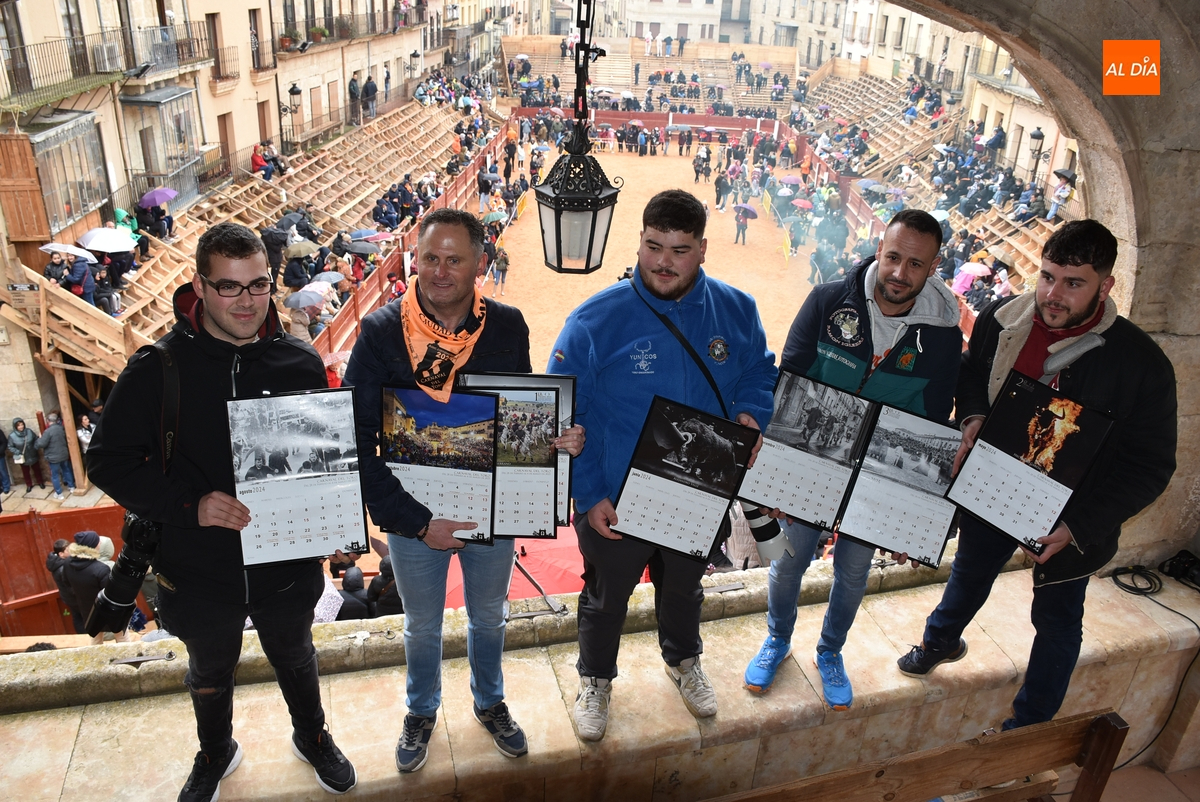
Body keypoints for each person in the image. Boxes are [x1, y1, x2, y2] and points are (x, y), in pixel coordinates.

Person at [87, 222, 357, 800]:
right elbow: (107, 463)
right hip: (198, 566)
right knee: (209, 673)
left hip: (285, 562)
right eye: (229, 287)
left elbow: (316, 463)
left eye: (257, 285)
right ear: (200, 287)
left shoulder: (299, 363)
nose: (246, 301)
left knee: (296, 655)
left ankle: (312, 736)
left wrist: (330, 520)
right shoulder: (156, 368)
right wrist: (192, 505)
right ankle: (215, 753)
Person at [896, 219, 1177, 731]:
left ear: (1105, 286)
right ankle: (939, 642)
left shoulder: (1143, 365)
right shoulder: (1002, 319)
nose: (1053, 294)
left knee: (1058, 619)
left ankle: (1029, 726)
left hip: (1073, 517)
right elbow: (972, 375)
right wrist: (974, 415)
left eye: (1073, 283)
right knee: (969, 573)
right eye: (1047, 276)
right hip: (995, 485)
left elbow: (1151, 466)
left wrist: (1079, 527)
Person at [343, 208, 585, 773]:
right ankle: (421, 710)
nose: (440, 271)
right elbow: (357, 442)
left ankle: (489, 701)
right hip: (413, 515)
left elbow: (518, 417)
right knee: (421, 624)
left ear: (482, 262)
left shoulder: (507, 325)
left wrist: (558, 436)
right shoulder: (380, 332)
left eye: (455, 259)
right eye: (430, 257)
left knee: (488, 616)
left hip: (489, 508)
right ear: (415, 258)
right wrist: (417, 521)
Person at [548, 190, 776, 741]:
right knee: (605, 599)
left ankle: (684, 660)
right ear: (640, 240)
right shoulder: (593, 320)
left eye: (678, 250)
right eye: (653, 246)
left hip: (700, 487)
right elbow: (565, 416)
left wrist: (751, 412)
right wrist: (590, 493)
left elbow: (758, 372)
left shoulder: (738, 310)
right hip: (617, 499)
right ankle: (595, 679)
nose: (663, 262)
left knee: (684, 590)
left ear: (702, 248)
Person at [742, 209, 962, 708]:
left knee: (854, 573)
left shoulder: (946, 336)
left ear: (933, 268)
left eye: (914, 264)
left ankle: (830, 652)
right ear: (878, 249)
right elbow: (789, 383)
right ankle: (777, 639)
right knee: (786, 564)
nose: (899, 274)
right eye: (892, 257)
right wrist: (776, 477)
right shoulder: (826, 301)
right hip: (812, 463)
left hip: (877, 478)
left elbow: (933, 417)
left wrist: (911, 514)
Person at [63, 531, 128, 644]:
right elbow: (111, 595)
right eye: (98, 542)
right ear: (94, 546)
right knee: (122, 637)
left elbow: (66, 584)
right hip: (107, 611)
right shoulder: (101, 569)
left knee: (95, 638)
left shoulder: (67, 563)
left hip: (87, 609)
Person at [34, 412, 76, 501]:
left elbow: (41, 444)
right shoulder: (61, 428)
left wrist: (39, 438)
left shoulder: (48, 432)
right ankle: (71, 487)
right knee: (67, 470)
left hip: (53, 457)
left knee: (55, 475)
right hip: (63, 454)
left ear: (48, 421)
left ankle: (59, 493)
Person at [46, 538, 84, 632]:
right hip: (74, 598)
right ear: (61, 554)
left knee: (78, 617)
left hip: (68, 597)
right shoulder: (63, 568)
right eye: (67, 550)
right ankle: (84, 636)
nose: (71, 550)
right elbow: (71, 585)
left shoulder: (57, 563)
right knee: (82, 618)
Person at [8, 417, 45, 492]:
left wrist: (36, 445)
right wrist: (17, 451)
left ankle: (40, 482)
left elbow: (35, 439)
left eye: (22, 424)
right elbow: (10, 446)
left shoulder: (29, 431)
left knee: (37, 469)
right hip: (23, 456)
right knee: (26, 472)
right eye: (19, 425)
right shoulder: (12, 436)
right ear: (15, 427)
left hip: (32, 453)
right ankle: (29, 485)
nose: (21, 426)